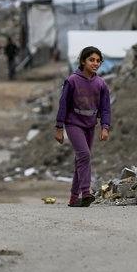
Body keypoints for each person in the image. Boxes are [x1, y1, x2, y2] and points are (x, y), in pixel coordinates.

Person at [55, 46, 110, 208]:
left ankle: (73, 197)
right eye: (91, 60)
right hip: (73, 124)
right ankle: (86, 192)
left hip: (90, 125)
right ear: (82, 61)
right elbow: (63, 105)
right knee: (84, 155)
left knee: (81, 159)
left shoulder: (101, 84)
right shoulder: (72, 81)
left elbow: (105, 108)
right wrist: (59, 128)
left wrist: (105, 127)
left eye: (98, 61)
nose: (95, 63)